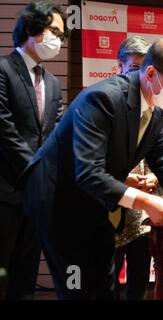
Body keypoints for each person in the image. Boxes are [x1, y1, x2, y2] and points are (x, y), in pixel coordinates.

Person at [21, 36, 163, 299]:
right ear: (151, 73)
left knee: (101, 282)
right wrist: (145, 202)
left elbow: (161, 155)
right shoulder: (102, 99)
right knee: (78, 287)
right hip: (58, 198)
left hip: (94, 202)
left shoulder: (156, 110)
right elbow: (88, 171)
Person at [0, 0, 67, 300]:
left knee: (25, 275)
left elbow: (56, 133)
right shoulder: (2, 70)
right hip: (5, 190)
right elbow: (3, 128)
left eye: (61, 35)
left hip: (36, 195)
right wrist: (36, 169)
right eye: (54, 30)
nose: (58, 40)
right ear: (30, 28)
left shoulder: (52, 83)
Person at [113, 35, 163, 300]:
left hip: (145, 205)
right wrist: (124, 179)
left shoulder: (160, 108)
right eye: (133, 68)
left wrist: (153, 177)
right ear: (119, 66)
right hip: (115, 202)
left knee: (140, 273)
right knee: (109, 273)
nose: (140, 76)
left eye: (146, 68)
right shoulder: (107, 100)